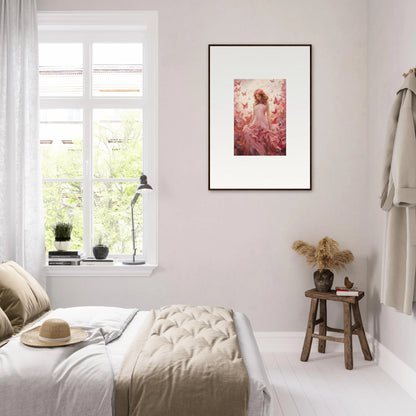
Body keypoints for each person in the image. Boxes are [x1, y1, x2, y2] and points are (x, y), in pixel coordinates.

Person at [240, 89, 284, 155]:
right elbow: (254, 115)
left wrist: (270, 126)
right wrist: (250, 123)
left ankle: (265, 153)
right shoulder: (255, 104)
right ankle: (258, 153)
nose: (258, 97)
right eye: (256, 96)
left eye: (259, 96)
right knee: (251, 134)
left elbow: (268, 115)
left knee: (264, 138)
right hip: (256, 122)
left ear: (262, 96)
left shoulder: (266, 103)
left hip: (263, 122)